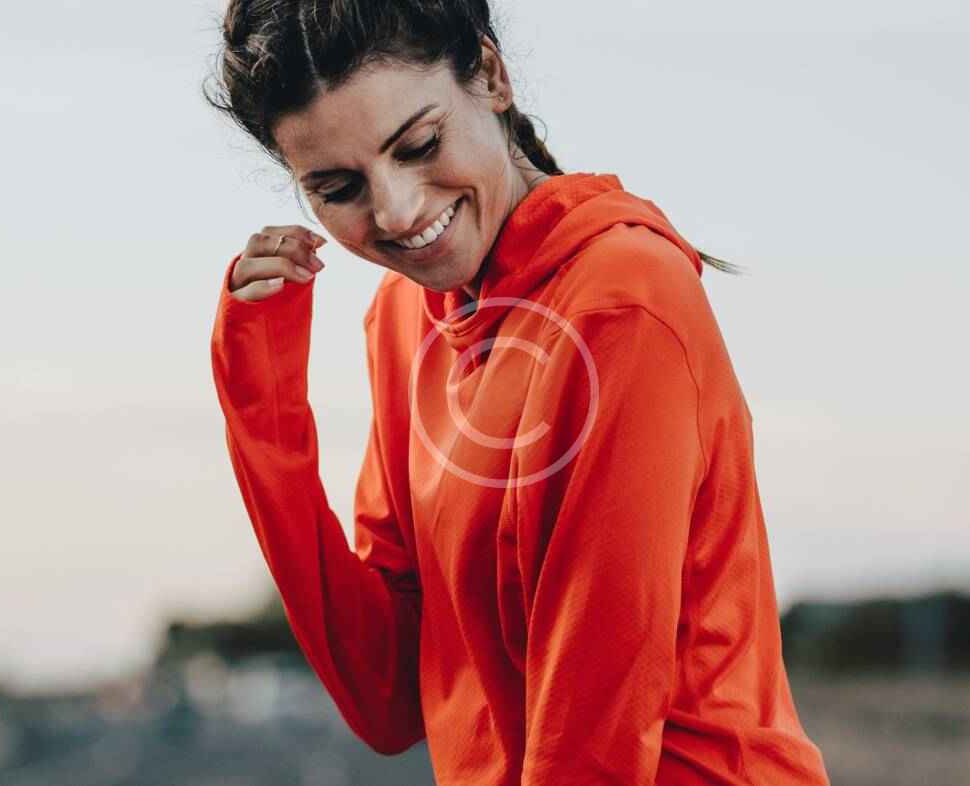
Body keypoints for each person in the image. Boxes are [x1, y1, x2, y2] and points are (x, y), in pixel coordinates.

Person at [204, 2, 832, 784]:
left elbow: (595, 741)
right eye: (337, 188)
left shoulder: (623, 302)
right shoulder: (407, 317)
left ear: (491, 76)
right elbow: (387, 693)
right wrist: (260, 398)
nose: (396, 211)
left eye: (419, 145)